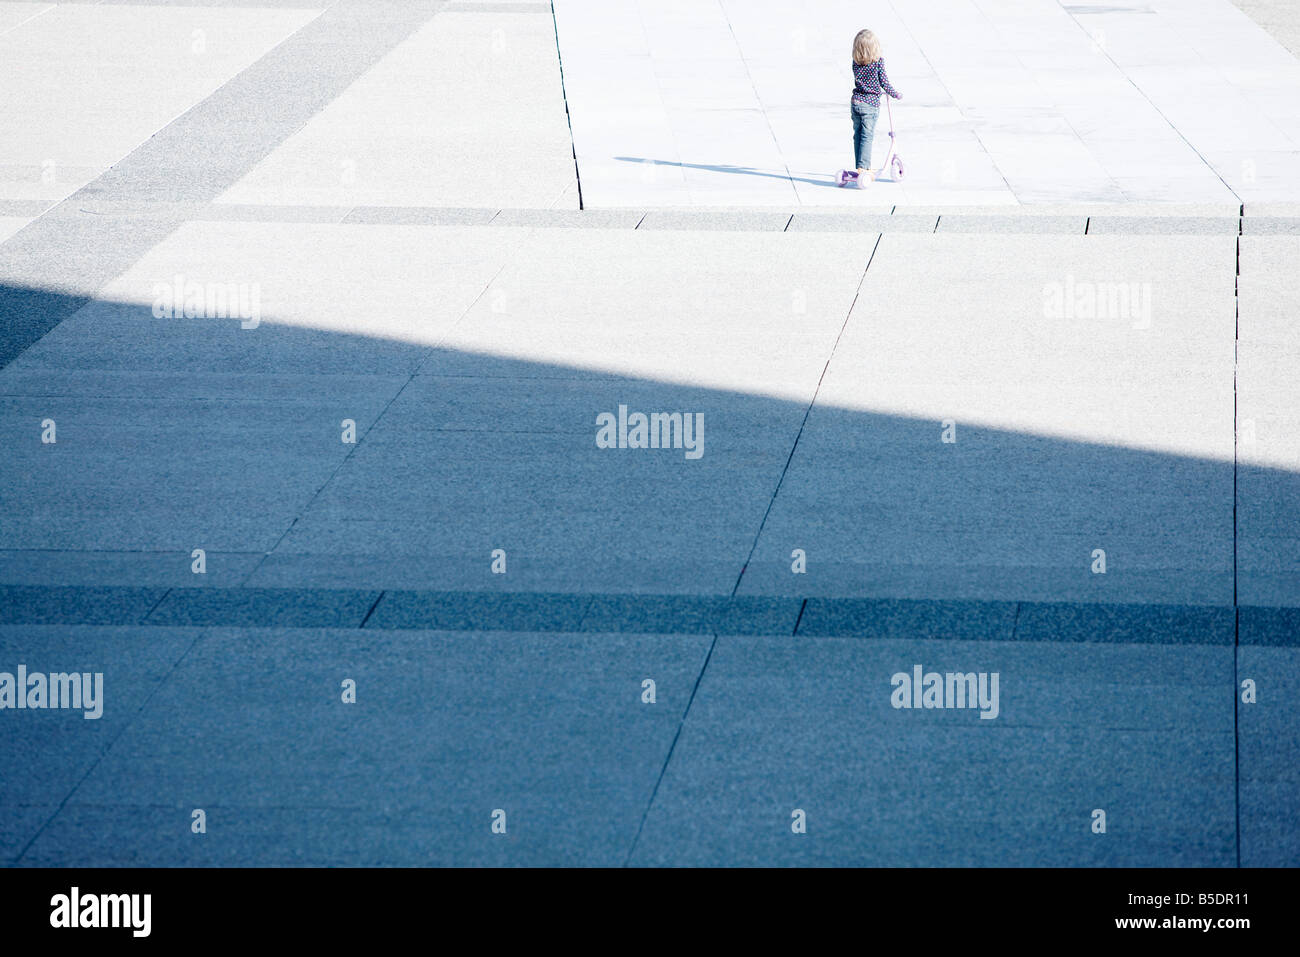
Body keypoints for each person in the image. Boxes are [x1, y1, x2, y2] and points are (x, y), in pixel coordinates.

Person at [849, 29, 902, 186]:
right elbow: (884, 82)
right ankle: (864, 168)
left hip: (856, 102)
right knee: (867, 136)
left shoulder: (855, 63)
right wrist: (895, 94)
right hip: (870, 105)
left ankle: (859, 166)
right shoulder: (878, 62)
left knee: (857, 135)